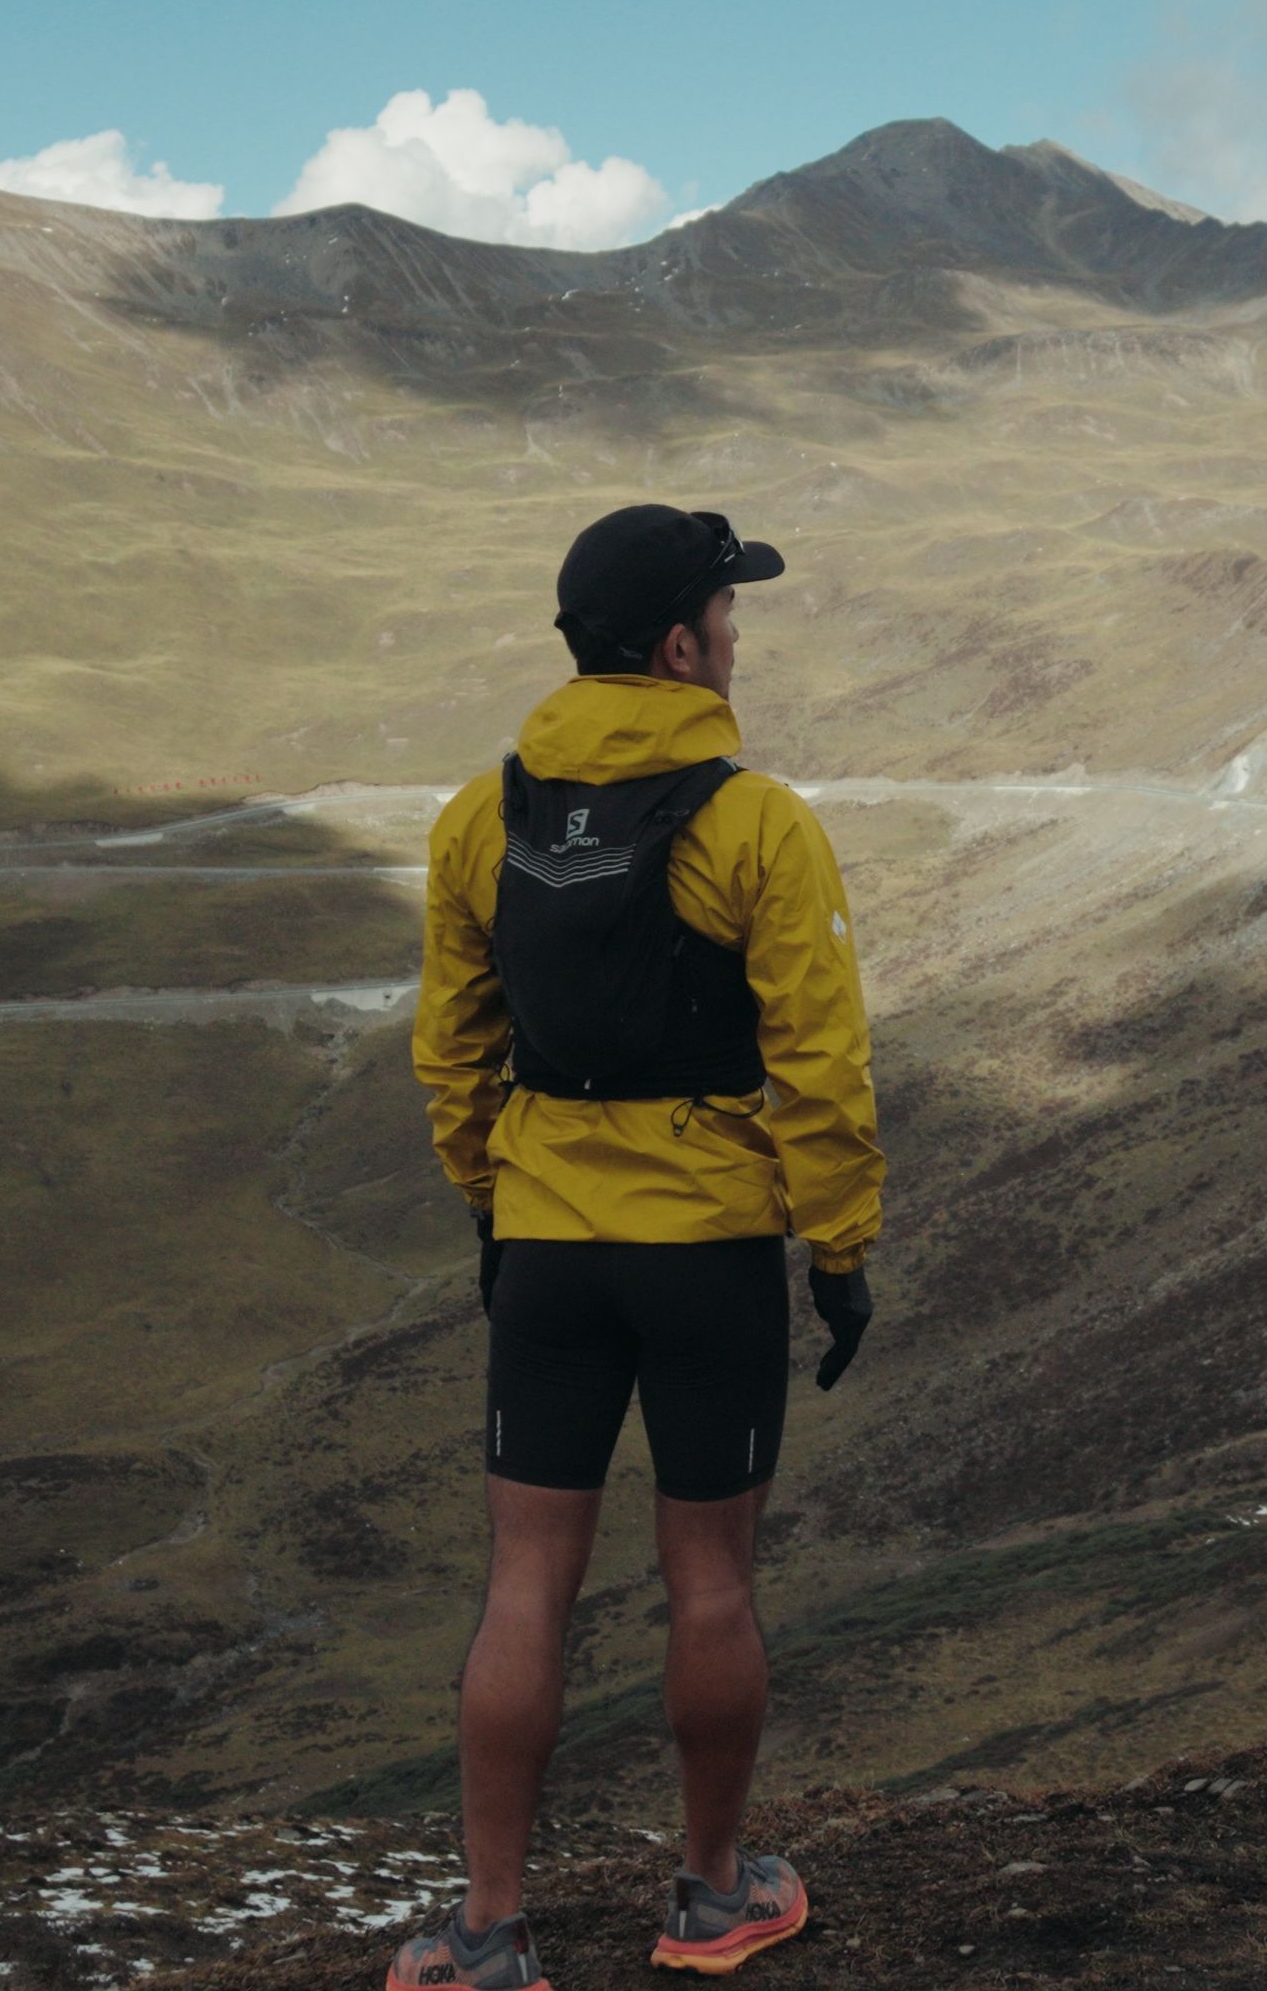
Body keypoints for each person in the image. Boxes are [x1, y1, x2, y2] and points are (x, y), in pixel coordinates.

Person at [392, 504, 886, 1991]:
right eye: (726, 620)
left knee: (524, 1585)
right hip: (709, 1255)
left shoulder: (483, 816)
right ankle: (713, 1898)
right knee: (711, 1583)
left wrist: (499, 1195)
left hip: (545, 1245)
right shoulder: (756, 822)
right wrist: (839, 1248)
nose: (737, 641)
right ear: (677, 643)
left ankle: (487, 1935)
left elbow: (449, 1049)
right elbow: (821, 1059)